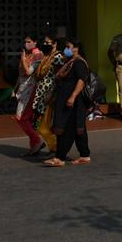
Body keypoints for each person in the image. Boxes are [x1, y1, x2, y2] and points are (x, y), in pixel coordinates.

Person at [44, 38, 91, 167]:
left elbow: (81, 80)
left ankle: (59, 158)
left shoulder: (78, 63)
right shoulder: (69, 62)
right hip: (66, 99)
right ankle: (85, 155)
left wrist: (73, 96)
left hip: (72, 101)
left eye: (68, 46)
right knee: (78, 128)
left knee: (66, 129)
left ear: (76, 48)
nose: (66, 49)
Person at [14, 35, 45, 156]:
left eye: (29, 41)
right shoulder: (27, 54)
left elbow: (28, 72)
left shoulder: (38, 55)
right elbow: (20, 74)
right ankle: (34, 146)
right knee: (27, 119)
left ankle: (37, 141)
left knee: (21, 117)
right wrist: (15, 88)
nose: (26, 43)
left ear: (35, 42)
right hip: (23, 89)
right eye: (25, 41)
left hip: (31, 88)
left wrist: (22, 59)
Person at [32, 36, 64, 152]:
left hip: (49, 95)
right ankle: (53, 148)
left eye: (48, 42)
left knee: (44, 125)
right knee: (39, 124)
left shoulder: (58, 56)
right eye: (44, 42)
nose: (45, 44)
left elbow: (59, 77)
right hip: (41, 94)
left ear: (55, 43)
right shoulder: (46, 56)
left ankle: (55, 149)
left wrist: (52, 93)